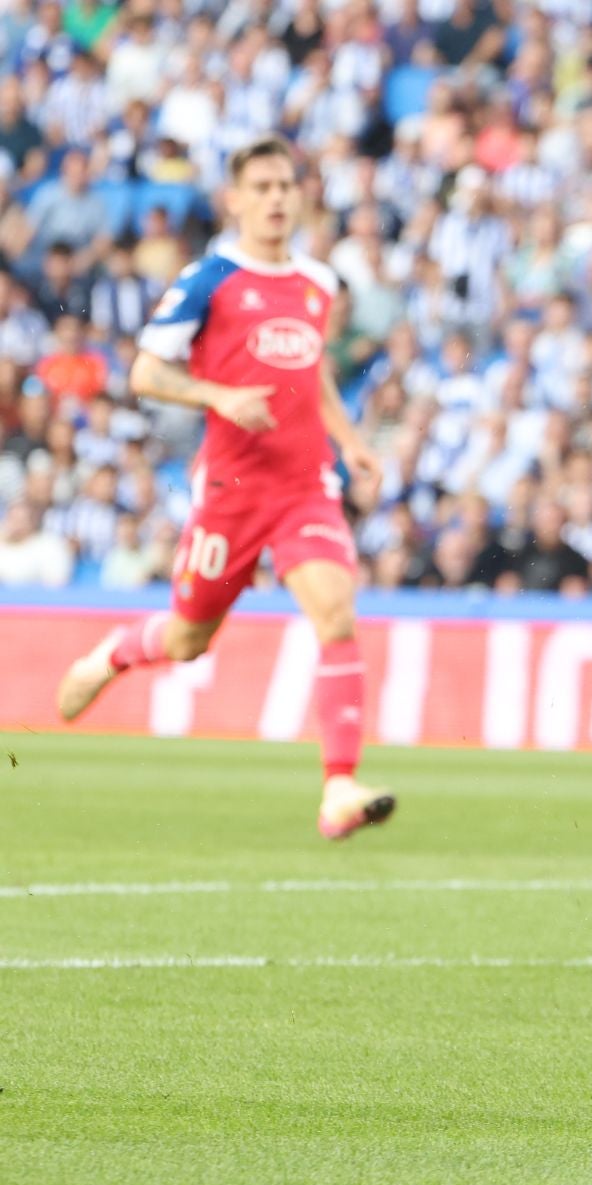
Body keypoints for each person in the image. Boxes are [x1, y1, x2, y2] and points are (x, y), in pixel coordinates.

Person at [54, 136, 397, 841]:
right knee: (188, 639)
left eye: (285, 186)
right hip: (232, 489)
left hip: (303, 485)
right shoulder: (209, 279)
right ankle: (113, 654)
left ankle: (339, 787)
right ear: (234, 200)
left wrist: (351, 440)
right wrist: (220, 396)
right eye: (261, 187)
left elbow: (312, 368)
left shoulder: (318, 282)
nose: (276, 198)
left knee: (335, 613)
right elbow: (146, 372)